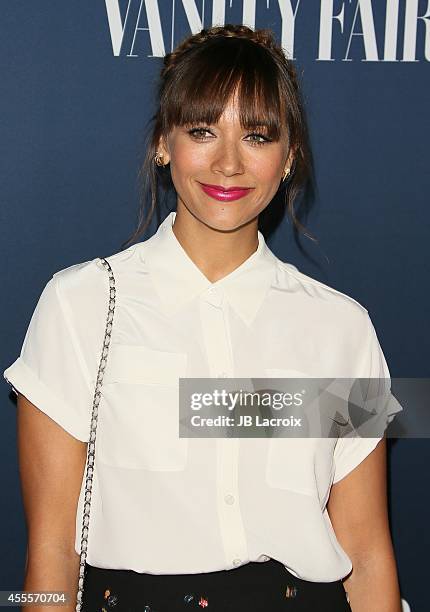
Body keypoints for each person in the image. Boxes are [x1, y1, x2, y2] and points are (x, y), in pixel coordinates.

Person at [3, 24, 402, 612]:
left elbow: (367, 555)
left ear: (289, 156)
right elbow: (52, 552)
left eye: (258, 136)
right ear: (164, 143)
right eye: (203, 130)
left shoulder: (341, 329)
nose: (228, 163)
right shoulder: (81, 305)